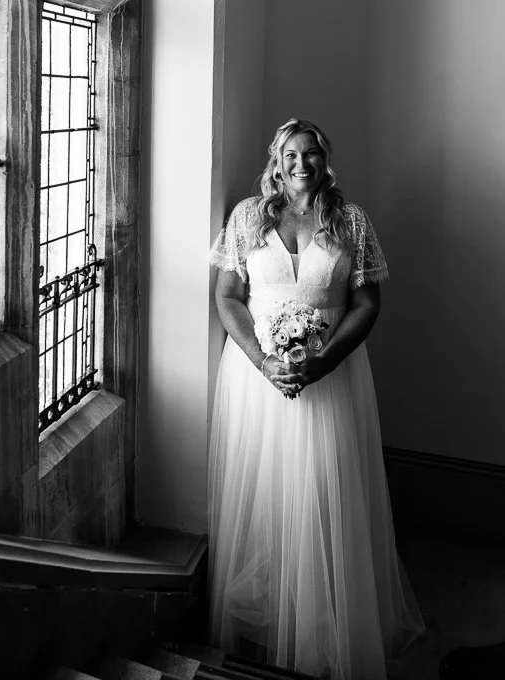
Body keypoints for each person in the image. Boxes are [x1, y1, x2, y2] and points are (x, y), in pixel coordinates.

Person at [208, 118, 425, 680]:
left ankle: (327, 619)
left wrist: (324, 362)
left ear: (325, 161)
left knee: (327, 488)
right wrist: (263, 361)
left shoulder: (351, 222)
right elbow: (228, 297)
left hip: (332, 374)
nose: (301, 164)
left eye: (311, 154)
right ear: (276, 162)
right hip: (257, 376)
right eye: (290, 154)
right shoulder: (248, 218)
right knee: (266, 485)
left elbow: (367, 304)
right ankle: (266, 612)